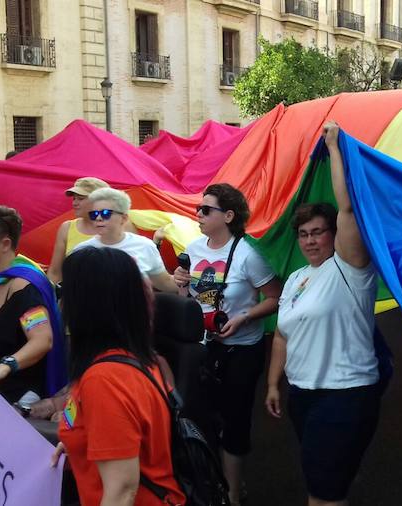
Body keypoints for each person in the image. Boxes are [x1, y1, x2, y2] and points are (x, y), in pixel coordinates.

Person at [265, 122, 382, 506]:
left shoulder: (350, 268)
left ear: (334, 234)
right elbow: (282, 335)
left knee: (322, 493)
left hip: (344, 394)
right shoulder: (298, 277)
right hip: (303, 394)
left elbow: (348, 207)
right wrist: (272, 384)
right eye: (304, 234)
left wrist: (334, 148)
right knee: (327, 484)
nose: (311, 240)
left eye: (318, 232)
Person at [172, 182, 281, 506]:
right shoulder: (192, 249)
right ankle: (211, 481)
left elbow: (276, 296)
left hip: (242, 350)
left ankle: (233, 494)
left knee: (234, 420)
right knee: (204, 417)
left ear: (229, 215)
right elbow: (189, 302)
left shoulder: (247, 254)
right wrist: (180, 285)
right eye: (198, 209)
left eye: (206, 209)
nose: (199, 214)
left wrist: (244, 318)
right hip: (203, 348)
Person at [54, 246, 185, 506]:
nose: (60, 300)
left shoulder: (105, 379)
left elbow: (122, 491)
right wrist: (79, 442)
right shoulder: (131, 357)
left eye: (65, 290)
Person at [0, 205, 65, 406]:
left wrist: (4, 367)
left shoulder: (24, 289)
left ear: (5, 244)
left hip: (16, 401)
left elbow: (42, 341)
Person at [72, 188, 178, 293]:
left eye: (105, 213)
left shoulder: (145, 245)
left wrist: (183, 279)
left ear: (124, 218)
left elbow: (165, 283)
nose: (98, 218)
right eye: (94, 214)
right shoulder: (81, 250)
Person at [47, 177, 110, 284]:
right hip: (71, 296)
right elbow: (55, 272)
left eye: (80, 198)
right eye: (74, 198)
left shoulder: (114, 228)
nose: (75, 203)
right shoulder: (66, 228)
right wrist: (49, 296)